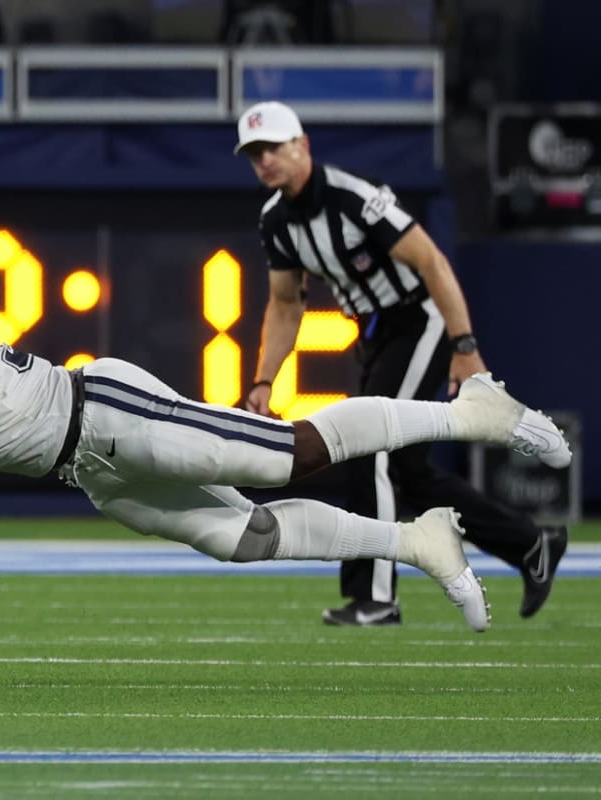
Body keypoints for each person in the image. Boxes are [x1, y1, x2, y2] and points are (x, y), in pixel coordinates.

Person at [0, 307, 572, 634]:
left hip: (105, 413)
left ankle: (473, 412)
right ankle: (413, 539)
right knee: (238, 536)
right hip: (85, 471)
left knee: (287, 451)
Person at [233, 100, 569, 626]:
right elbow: (285, 302)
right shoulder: (277, 220)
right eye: (255, 154)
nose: (265, 161)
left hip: (421, 320)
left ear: (302, 145)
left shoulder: (354, 198)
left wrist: (464, 346)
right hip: (377, 335)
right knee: (407, 472)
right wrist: (263, 380)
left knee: (374, 450)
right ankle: (531, 543)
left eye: (273, 147)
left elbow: (431, 261)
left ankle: (377, 598)